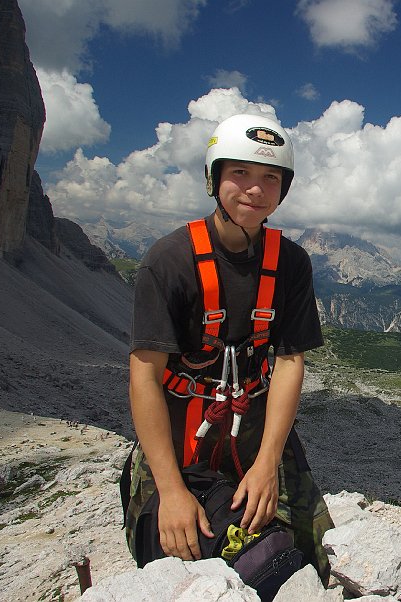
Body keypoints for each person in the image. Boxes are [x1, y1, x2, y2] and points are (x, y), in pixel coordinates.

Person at [123, 113, 332, 582]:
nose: (254, 190)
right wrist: (170, 488)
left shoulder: (291, 263)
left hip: (258, 437)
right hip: (179, 444)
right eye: (239, 173)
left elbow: (290, 360)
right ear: (214, 178)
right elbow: (144, 375)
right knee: (181, 560)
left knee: (311, 565)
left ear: (283, 188)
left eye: (269, 178)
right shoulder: (169, 261)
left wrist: (267, 465)